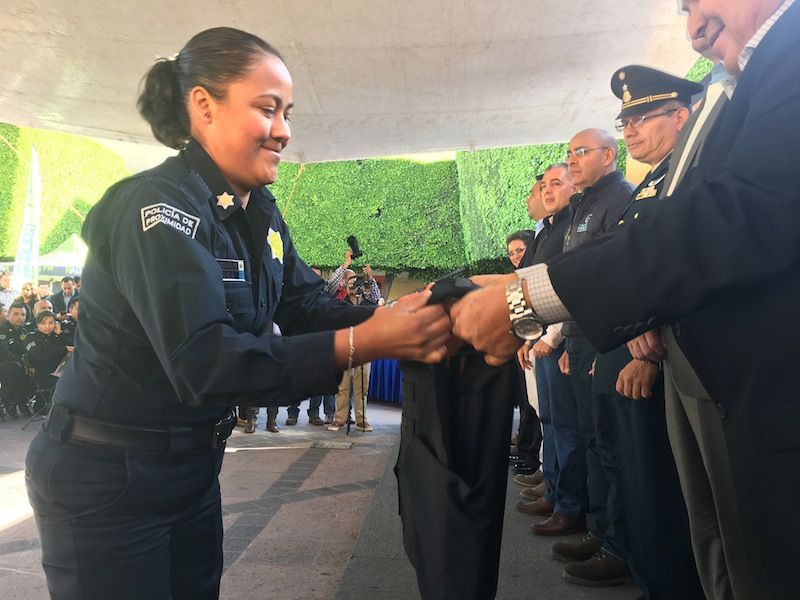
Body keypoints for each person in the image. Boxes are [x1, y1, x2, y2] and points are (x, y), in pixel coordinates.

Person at [24, 27, 450, 600]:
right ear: (203, 105)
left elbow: (305, 306)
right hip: (108, 477)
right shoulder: (158, 209)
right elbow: (205, 362)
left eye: (288, 113)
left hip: (193, 471)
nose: (284, 130)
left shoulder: (261, 214)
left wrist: (405, 315)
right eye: (267, 109)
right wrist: (367, 343)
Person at [450, 1, 799, 596]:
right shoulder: (755, 74)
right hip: (709, 367)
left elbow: (727, 218)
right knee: (717, 528)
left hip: (750, 376)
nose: (694, 25)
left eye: (703, 2)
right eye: (685, 8)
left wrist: (526, 298)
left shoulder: (784, 61)